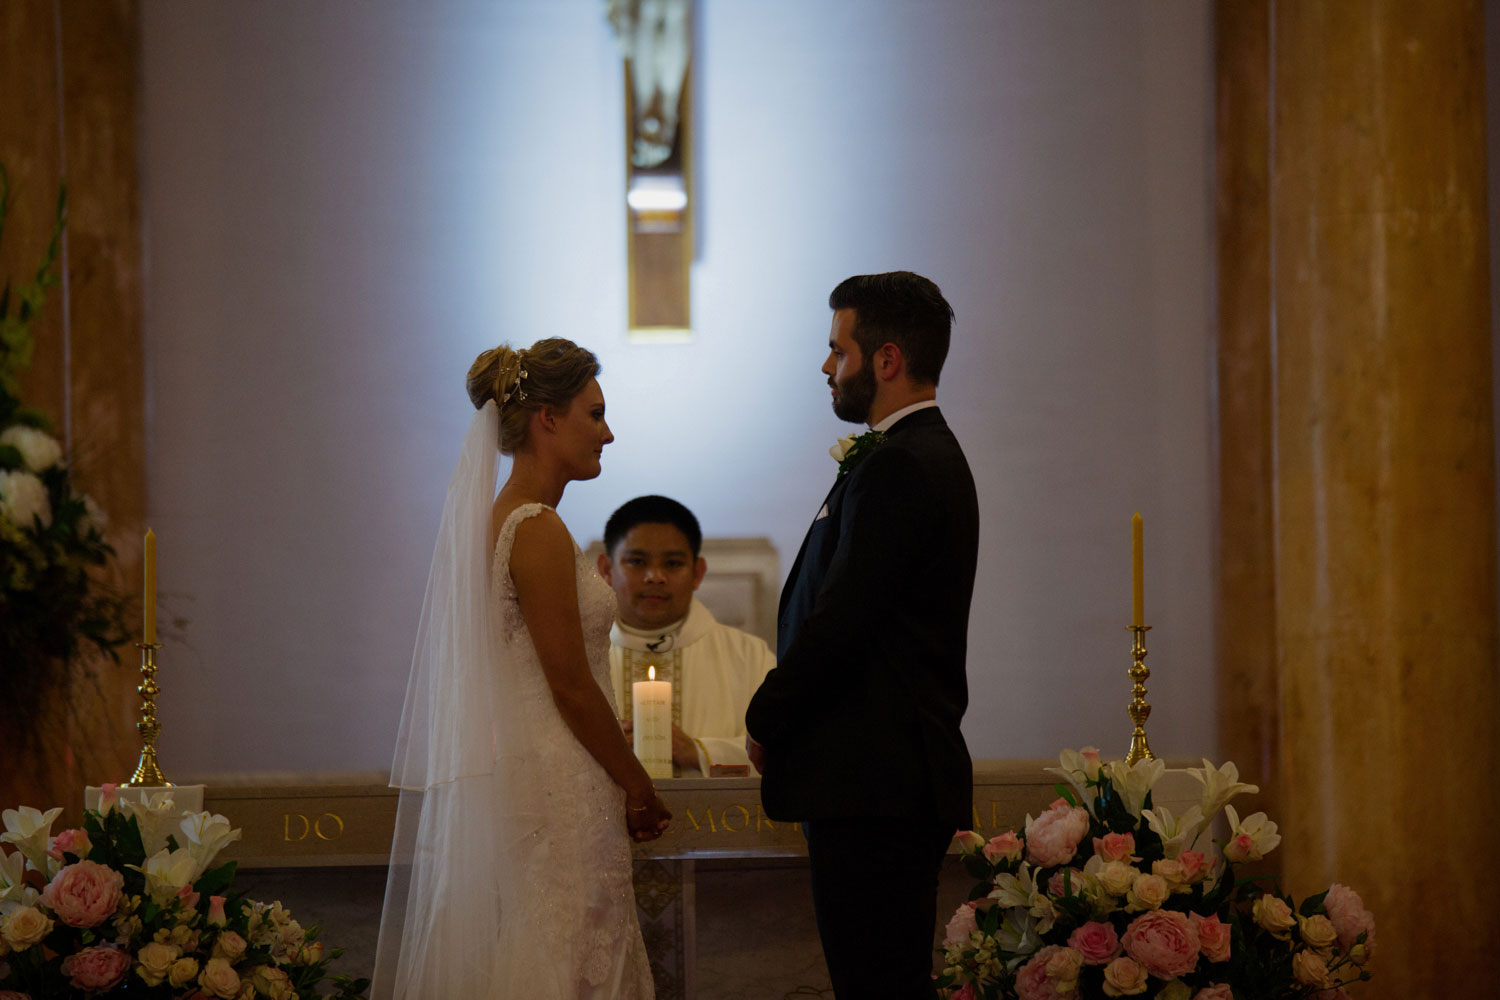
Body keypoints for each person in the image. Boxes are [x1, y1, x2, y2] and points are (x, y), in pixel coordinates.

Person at [374, 338, 669, 999]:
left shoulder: (501, 521)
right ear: (547, 419)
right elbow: (568, 684)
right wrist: (637, 781)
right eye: (594, 414)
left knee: (553, 947)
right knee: (571, 954)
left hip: (533, 774)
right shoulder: (534, 527)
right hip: (565, 780)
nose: (608, 433)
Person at [745, 272, 980, 1000]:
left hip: (876, 782)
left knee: (876, 985)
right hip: (881, 781)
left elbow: (846, 617)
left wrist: (766, 715)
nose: (826, 368)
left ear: (884, 360)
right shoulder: (907, 456)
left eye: (836, 350)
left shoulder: (904, 464)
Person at [597, 495, 775, 775]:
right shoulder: (579, 658)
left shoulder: (751, 656)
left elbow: (784, 755)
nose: (655, 576)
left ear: (697, 572)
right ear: (607, 570)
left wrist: (698, 752)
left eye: (672, 564)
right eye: (637, 561)